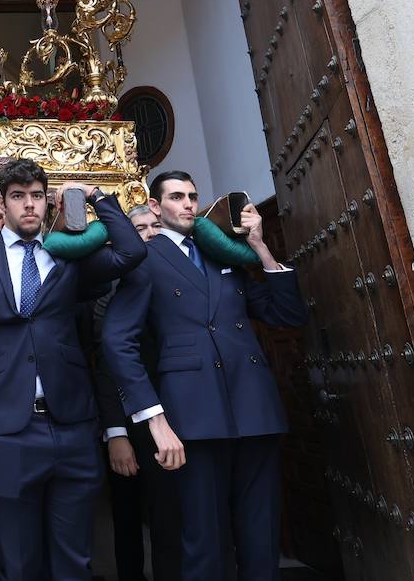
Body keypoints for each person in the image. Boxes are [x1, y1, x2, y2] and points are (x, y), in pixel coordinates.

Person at [0, 158, 147, 580]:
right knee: (18, 561)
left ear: (47, 203)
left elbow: (131, 251)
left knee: (74, 561)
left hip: (72, 425)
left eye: (36, 196)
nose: (28, 205)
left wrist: (96, 195)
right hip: (8, 432)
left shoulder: (67, 256)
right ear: (2, 203)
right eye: (17, 197)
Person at [102, 171, 308, 581]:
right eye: (176, 197)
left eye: (193, 196)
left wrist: (260, 248)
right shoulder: (143, 258)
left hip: (253, 409)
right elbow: (116, 342)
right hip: (192, 416)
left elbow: (286, 315)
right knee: (203, 541)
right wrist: (153, 418)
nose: (189, 204)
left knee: (260, 535)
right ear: (156, 207)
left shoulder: (223, 253)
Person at [90, 206, 183, 581]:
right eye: (139, 228)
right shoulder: (110, 290)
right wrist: (116, 432)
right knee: (128, 515)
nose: (148, 234)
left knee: (171, 516)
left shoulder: (179, 277)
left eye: (155, 226)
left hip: (179, 415)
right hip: (131, 421)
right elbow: (105, 362)